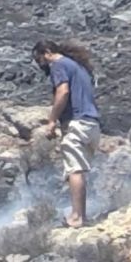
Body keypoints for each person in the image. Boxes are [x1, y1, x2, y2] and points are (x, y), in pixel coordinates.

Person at [33, 39, 102, 228]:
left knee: (74, 170)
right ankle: (82, 215)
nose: (42, 65)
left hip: (77, 123)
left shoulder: (58, 64)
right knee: (79, 170)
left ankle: (77, 218)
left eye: (40, 60)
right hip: (92, 124)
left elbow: (63, 92)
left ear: (47, 52)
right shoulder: (78, 67)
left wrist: (52, 121)